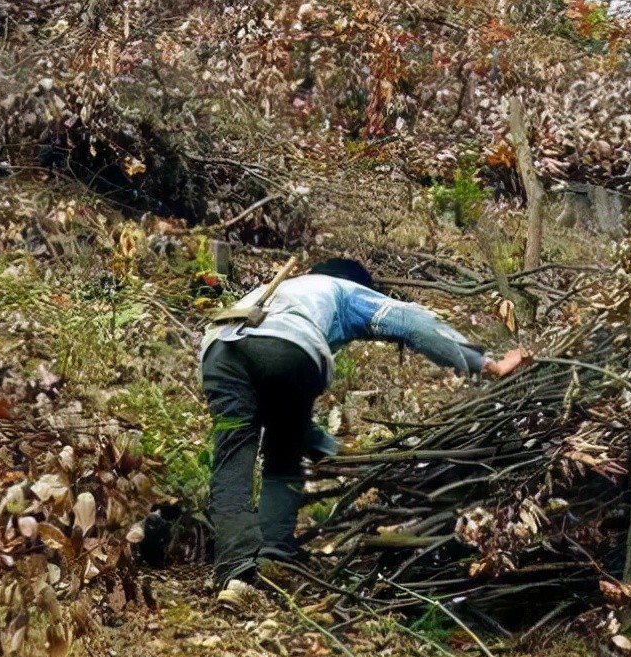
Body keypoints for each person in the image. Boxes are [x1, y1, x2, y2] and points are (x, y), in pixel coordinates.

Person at [198, 257, 530, 605]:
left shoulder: (277, 290)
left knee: (233, 457)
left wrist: (331, 448)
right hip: (288, 352)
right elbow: (415, 324)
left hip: (220, 355)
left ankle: (234, 571)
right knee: (282, 459)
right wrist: (488, 364)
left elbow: (284, 415)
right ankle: (272, 554)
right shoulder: (345, 289)